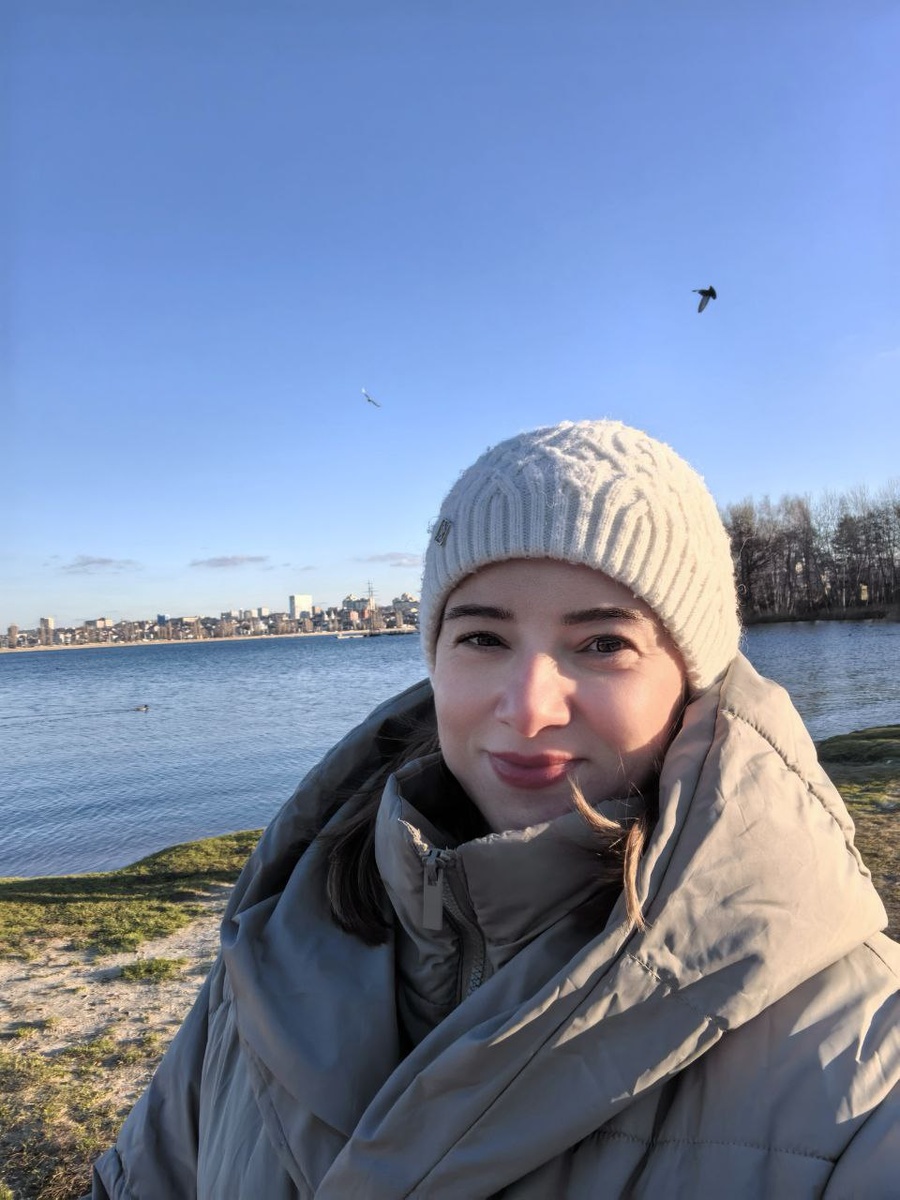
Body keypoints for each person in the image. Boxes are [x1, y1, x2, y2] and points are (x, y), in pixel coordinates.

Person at [91, 420, 899, 1198]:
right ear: (435, 657)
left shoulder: (861, 1055)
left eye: (603, 644)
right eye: (483, 638)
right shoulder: (271, 945)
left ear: (694, 684)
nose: (528, 708)